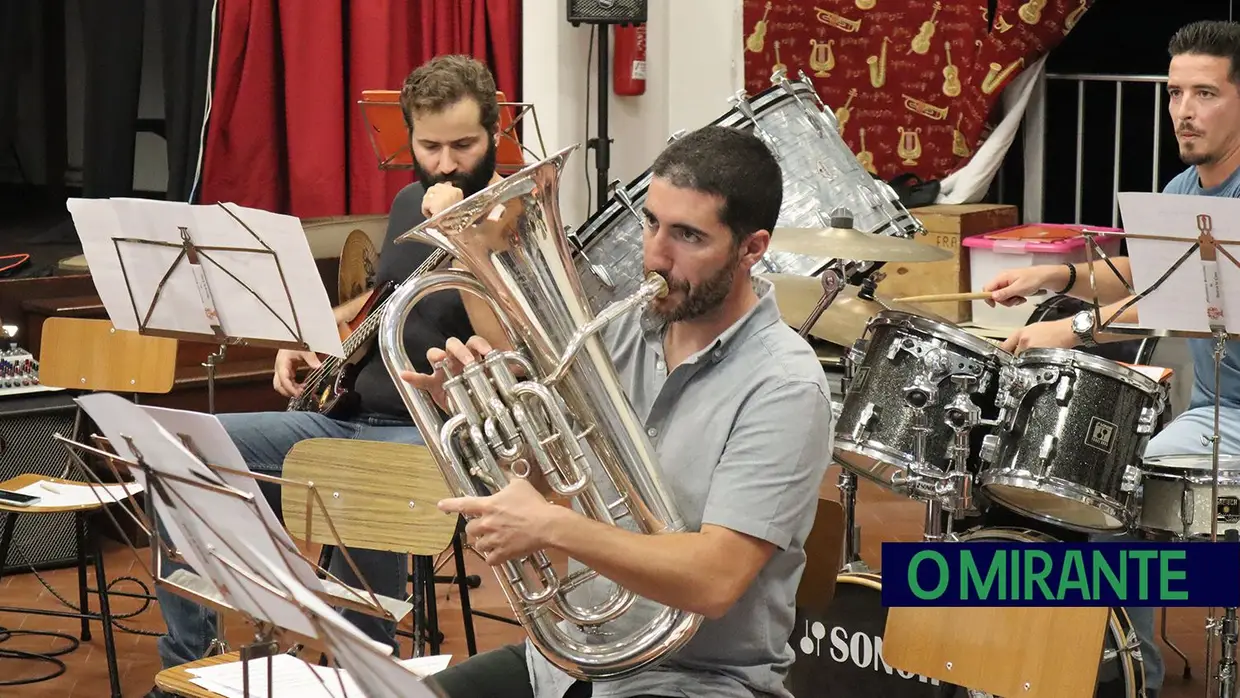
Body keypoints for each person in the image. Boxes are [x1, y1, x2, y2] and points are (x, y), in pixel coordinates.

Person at [401, 125, 835, 698]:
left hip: (694, 681)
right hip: (564, 663)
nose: (654, 254)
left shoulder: (784, 386)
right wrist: (489, 422)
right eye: (651, 222)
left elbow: (714, 578)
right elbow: (561, 491)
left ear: (752, 248)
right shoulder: (617, 331)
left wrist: (554, 526)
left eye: (687, 236)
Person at [148, 54, 507, 694]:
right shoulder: (406, 201)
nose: (446, 163)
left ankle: (363, 669)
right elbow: (382, 297)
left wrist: (464, 235)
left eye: (463, 144)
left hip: (437, 435)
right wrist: (309, 336)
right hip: (346, 415)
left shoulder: (517, 214)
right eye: (430, 146)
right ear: (411, 139)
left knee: (359, 478)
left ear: (495, 135)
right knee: (178, 451)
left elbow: (509, 348)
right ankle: (189, 661)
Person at [978, 20, 1240, 698]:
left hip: (1230, 421)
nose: (1183, 110)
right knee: (1115, 488)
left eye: (1205, 92)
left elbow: (1169, 304)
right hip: (1215, 413)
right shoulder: (1184, 191)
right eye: (1175, 91)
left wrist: (1070, 332)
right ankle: (1131, 680)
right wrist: (1054, 278)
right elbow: (1149, 275)